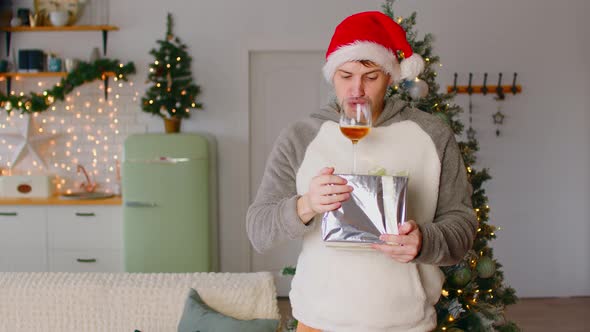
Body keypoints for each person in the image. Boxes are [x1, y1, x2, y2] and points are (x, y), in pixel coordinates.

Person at [247, 11, 477, 332]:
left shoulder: (432, 134)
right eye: (345, 75)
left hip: (405, 323)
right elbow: (258, 230)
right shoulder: (301, 136)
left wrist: (424, 241)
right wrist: (306, 205)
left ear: (390, 76)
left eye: (370, 77)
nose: (357, 90)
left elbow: (463, 226)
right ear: (332, 76)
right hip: (318, 321)